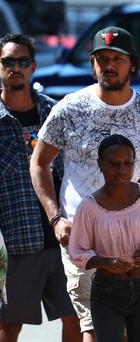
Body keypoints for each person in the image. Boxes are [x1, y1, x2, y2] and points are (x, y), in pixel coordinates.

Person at [30, 26, 140, 342]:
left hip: (137, 245)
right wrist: (56, 218)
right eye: (101, 59)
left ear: (133, 65)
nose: (108, 65)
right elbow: (39, 163)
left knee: (133, 331)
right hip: (82, 238)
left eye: (117, 58)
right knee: (90, 329)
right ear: (92, 64)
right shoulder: (69, 109)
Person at [0, 33, 79, 342]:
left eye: (22, 62)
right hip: (15, 243)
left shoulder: (55, 113)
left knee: (77, 320)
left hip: (64, 239)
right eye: (7, 62)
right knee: (8, 327)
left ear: (33, 66)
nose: (14, 68)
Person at [68, 134, 140, 342]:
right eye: (114, 164)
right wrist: (107, 262)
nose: (122, 170)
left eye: (128, 163)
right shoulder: (89, 207)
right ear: (100, 164)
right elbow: (78, 253)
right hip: (107, 292)